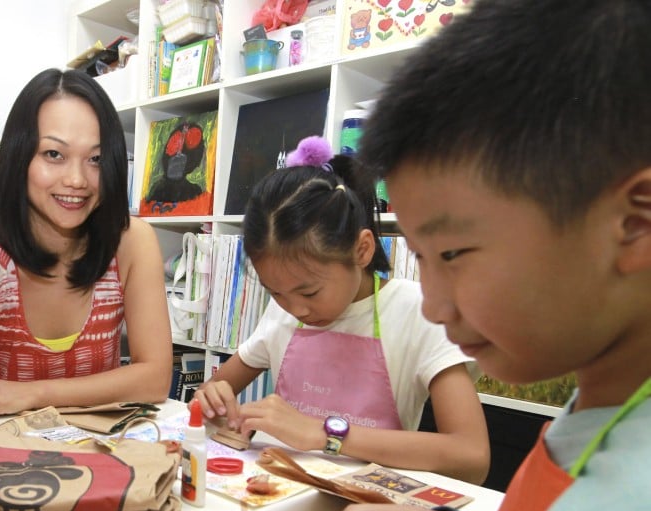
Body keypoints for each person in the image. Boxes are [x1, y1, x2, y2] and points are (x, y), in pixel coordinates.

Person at [266, 0, 651, 511]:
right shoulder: (607, 401)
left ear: (635, 222)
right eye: (417, 255)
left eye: (455, 253)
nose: (437, 307)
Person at [0, 68, 172, 511]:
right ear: (18, 160)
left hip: (106, 477)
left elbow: (153, 380)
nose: (78, 180)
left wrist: (29, 393)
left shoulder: (132, 244)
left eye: (95, 159)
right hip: (5, 484)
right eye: (53, 154)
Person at [193, 135, 489, 483]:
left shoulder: (417, 312)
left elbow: (471, 457)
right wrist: (211, 400)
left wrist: (327, 434)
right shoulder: (285, 311)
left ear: (362, 250)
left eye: (310, 290)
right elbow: (207, 398)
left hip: (372, 510)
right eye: (275, 292)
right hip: (278, 493)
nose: (296, 309)